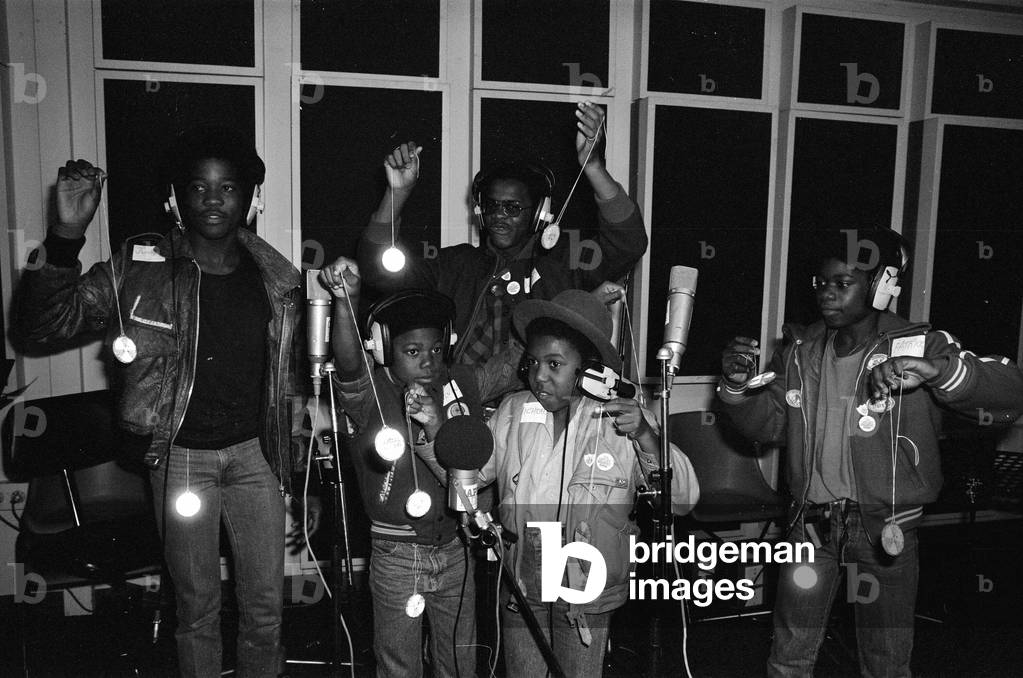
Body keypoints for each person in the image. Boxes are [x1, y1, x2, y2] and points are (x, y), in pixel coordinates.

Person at [15, 127, 320, 678]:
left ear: (252, 198)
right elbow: (42, 325)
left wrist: (300, 471)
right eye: (197, 187)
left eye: (228, 187)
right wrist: (65, 235)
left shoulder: (280, 280)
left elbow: (292, 387)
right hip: (180, 462)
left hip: (256, 459)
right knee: (197, 610)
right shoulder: (138, 268)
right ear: (173, 198)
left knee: (266, 611)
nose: (212, 198)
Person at [716, 228, 1023, 678]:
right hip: (810, 530)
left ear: (882, 286)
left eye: (843, 284)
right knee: (788, 658)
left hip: (885, 534)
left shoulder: (918, 343)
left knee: (885, 664)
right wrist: (736, 388)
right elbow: (770, 425)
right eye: (822, 283)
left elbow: (1011, 392)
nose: (827, 295)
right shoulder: (800, 350)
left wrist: (939, 372)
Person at [358, 102, 648, 401]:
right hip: (458, 407)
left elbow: (629, 243)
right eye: (492, 206)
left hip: (537, 414)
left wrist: (594, 167)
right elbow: (376, 271)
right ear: (480, 210)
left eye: (512, 208)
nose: (499, 215)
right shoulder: (456, 264)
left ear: (539, 214)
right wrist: (397, 194)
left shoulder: (563, 262)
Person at [479, 289, 699, 678]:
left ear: (589, 371)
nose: (538, 376)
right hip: (524, 582)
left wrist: (647, 436)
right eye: (532, 362)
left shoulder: (624, 419)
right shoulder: (513, 412)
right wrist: (433, 431)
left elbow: (682, 500)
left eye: (554, 364)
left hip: (588, 586)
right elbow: (473, 473)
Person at [318, 257, 480, 678]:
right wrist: (346, 299)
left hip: (456, 548)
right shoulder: (370, 392)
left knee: (459, 661)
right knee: (398, 665)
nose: (428, 360)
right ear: (385, 348)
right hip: (397, 553)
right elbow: (350, 362)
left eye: (436, 349)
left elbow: (468, 480)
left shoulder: (457, 387)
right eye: (412, 351)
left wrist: (439, 424)